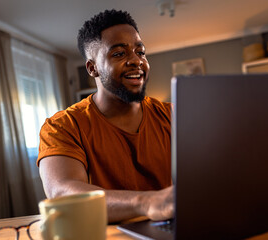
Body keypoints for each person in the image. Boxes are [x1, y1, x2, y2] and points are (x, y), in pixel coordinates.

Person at [37, 9, 174, 223]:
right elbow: (62, 193)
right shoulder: (63, 126)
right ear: (92, 68)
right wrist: (147, 202)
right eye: (119, 53)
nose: (136, 61)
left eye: (141, 51)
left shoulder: (173, 115)